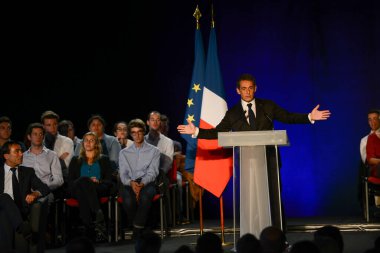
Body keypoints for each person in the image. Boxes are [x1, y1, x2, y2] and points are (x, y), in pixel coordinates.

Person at [178, 73, 331, 229]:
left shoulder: (268, 106)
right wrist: (196, 131)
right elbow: (217, 132)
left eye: (250, 88)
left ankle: (278, 233)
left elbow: (288, 117)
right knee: (251, 199)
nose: (247, 92)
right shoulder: (233, 113)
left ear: (255, 88)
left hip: (268, 159)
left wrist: (309, 116)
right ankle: (251, 233)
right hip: (246, 161)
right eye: (244, 89)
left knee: (272, 197)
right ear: (238, 91)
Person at [0, 140, 50, 251]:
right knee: (4, 197)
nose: (21, 154)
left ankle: (21, 226)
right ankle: (24, 228)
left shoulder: (28, 172)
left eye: (21, 151)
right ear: (6, 156)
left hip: (20, 210)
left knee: (4, 216)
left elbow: (45, 188)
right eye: (17, 151)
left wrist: (35, 193)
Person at [67, 131, 114, 241]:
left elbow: (109, 181)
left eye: (91, 140)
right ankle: (97, 211)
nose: (88, 143)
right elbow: (70, 182)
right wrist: (87, 180)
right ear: (82, 143)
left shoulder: (104, 159)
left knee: (82, 193)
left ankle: (89, 228)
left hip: (98, 188)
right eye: (86, 140)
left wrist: (98, 181)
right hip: (76, 187)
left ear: (96, 144)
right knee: (83, 181)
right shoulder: (75, 160)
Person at [118, 118, 160, 239]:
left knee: (145, 197)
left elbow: (153, 172)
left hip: (147, 182)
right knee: (128, 200)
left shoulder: (154, 151)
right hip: (129, 183)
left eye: (140, 132)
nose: (137, 135)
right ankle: (143, 228)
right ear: (130, 134)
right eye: (134, 132)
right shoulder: (124, 153)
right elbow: (123, 174)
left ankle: (137, 231)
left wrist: (142, 183)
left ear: (144, 132)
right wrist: (131, 183)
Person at [145, 111, 174, 227]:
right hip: (145, 175)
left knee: (162, 183)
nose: (155, 122)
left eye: (158, 120)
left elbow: (168, 162)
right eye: (152, 119)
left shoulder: (168, 142)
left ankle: (166, 222)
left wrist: (157, 173)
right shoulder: (142, 140)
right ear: (148, 122)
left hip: (160, 175)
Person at [22, 122, 64, 203]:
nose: (38, 136)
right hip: (26, 192)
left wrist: (42, 189)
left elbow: (59, 180)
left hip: (46, 192)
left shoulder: (52, 155)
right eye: (35, 134)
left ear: (43, 137)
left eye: (41, 134)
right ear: (29, 137)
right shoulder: (22, 157)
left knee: (40, 203)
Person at [40, 110, 74, 176]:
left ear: (57, 124)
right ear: (43, 126)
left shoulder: (67, 141)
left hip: (62, 181)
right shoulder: (39, 142)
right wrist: (59, 159)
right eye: (49, 125)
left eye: (55, 124)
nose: (52, 128)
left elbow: (67, 165)